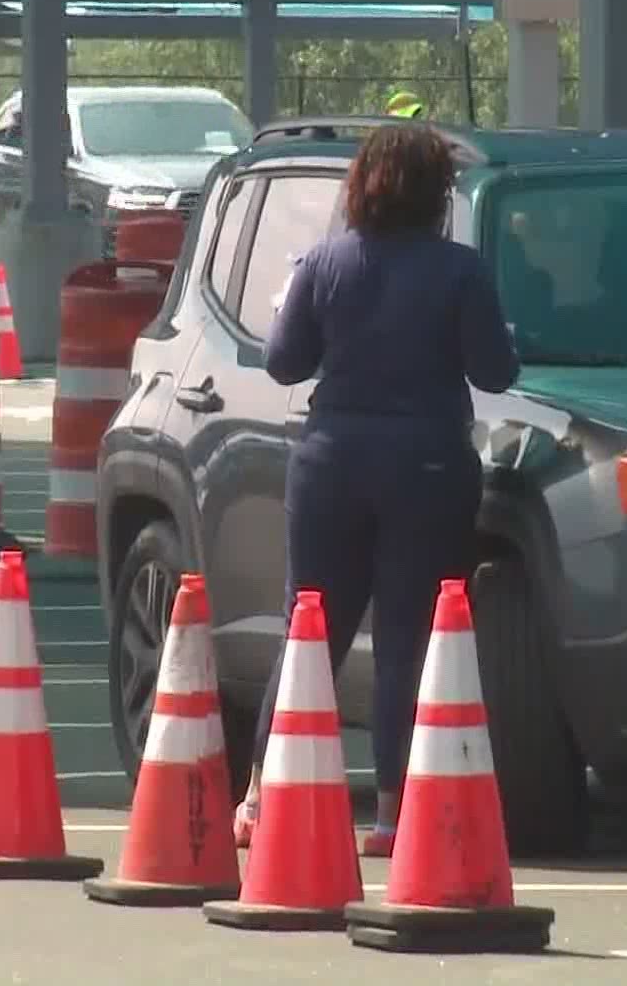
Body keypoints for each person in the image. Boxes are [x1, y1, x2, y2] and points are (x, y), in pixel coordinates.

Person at [233, 123, 521, 857]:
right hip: (426, 462)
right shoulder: (460, 270)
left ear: (360, 188)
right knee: (406, 642)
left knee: (312, 627)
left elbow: (283, 363)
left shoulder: (325, 263)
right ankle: (392, 813)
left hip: (331, 460)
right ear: (437, 195)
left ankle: (261, 796)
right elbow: (494, 372)